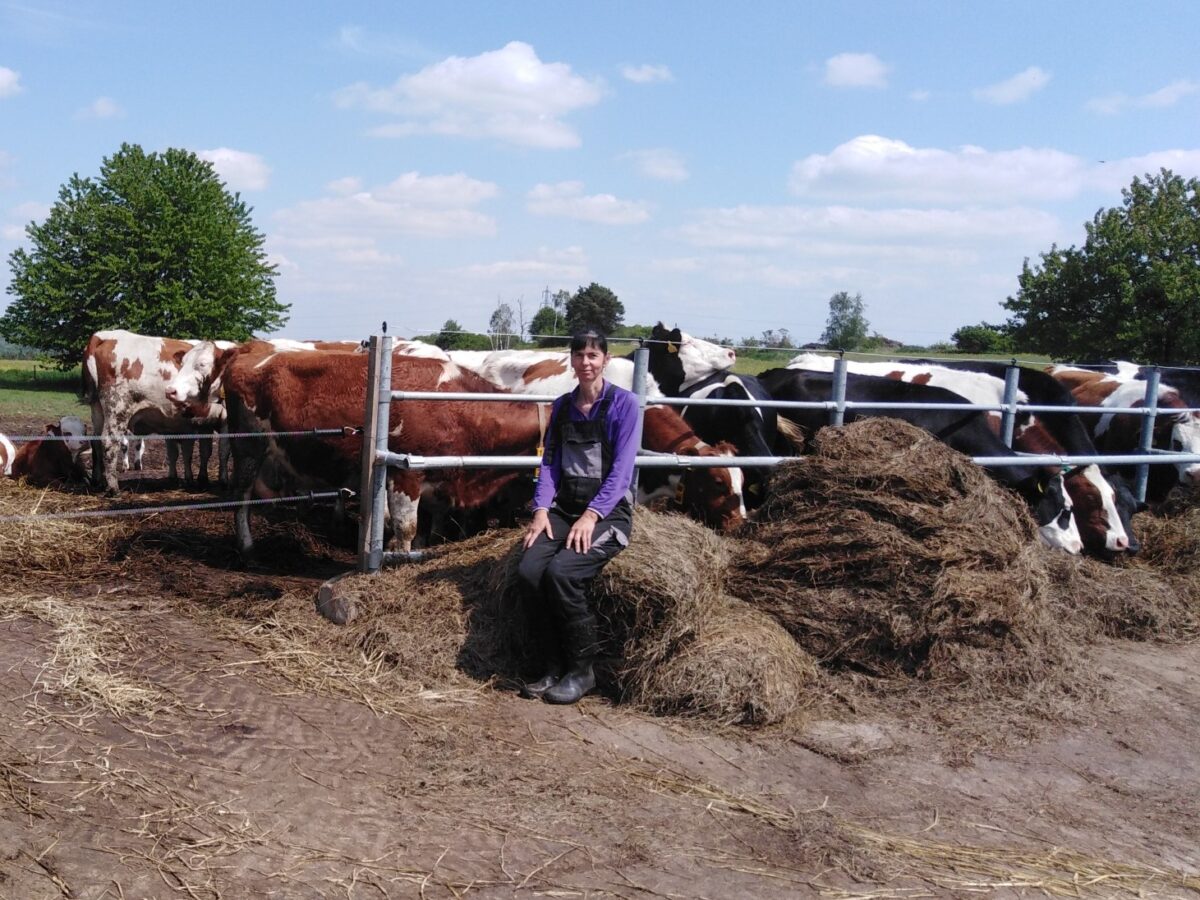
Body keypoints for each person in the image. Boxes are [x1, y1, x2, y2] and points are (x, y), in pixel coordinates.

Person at [516, 328, 639, 704]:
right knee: (529, 571)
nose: (586, 362)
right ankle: (552, 666)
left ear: (606, 361)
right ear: (571, 360)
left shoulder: (625, 405)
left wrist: (592, 516)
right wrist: (540, 510)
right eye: (579, 355)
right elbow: (550, 463)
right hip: (564, 509)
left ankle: (582, 670)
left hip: (608, 514)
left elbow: (621, 470)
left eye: (593, 356)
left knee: (563, 573)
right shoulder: (563, 406)